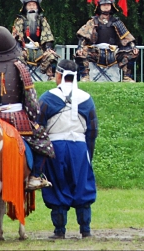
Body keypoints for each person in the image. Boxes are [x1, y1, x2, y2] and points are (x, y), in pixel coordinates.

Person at [0, 26, 54, 191]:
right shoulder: (19, 66)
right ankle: (35, 176)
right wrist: (34, 115)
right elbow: (31, 98)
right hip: (16, 117)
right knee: (43, 139)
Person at [37, 59, 98, 239]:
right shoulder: (87, 99)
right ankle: (85, 230)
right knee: (82, 186)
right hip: (79, 147)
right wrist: (88, 154)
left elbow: (38, 128)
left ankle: (59, 231)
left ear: (58, 75)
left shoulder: (47, 98)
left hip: (56, 148)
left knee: (57, 186)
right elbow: (93, 131)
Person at [76, 0, 138, 82]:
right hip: (96, 51)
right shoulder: (93, 22)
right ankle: (85, 76)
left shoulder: (117, 22)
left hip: (114, 52)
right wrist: (80, 48)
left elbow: (127, 38)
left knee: (132, 53)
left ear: (111, 6)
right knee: (81, 53)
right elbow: (83, 37)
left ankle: (127, 77)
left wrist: (133, 47)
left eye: (108, 5)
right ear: (99, 7)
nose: (106, 7)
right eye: (103, 5)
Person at [11, 0, 58, 80]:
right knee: (17, 56)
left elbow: (47, 34)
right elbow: (16, 37)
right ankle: (20, 78)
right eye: (29, 5)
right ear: (25, 7)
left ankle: (51, 77)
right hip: (24, 49)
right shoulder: (20, 20)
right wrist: (22, 46)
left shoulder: (42, 20)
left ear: (37, 6)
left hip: (40, 49)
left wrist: (47, 47)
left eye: (33, 5)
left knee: (51, 55)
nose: (31, 7)